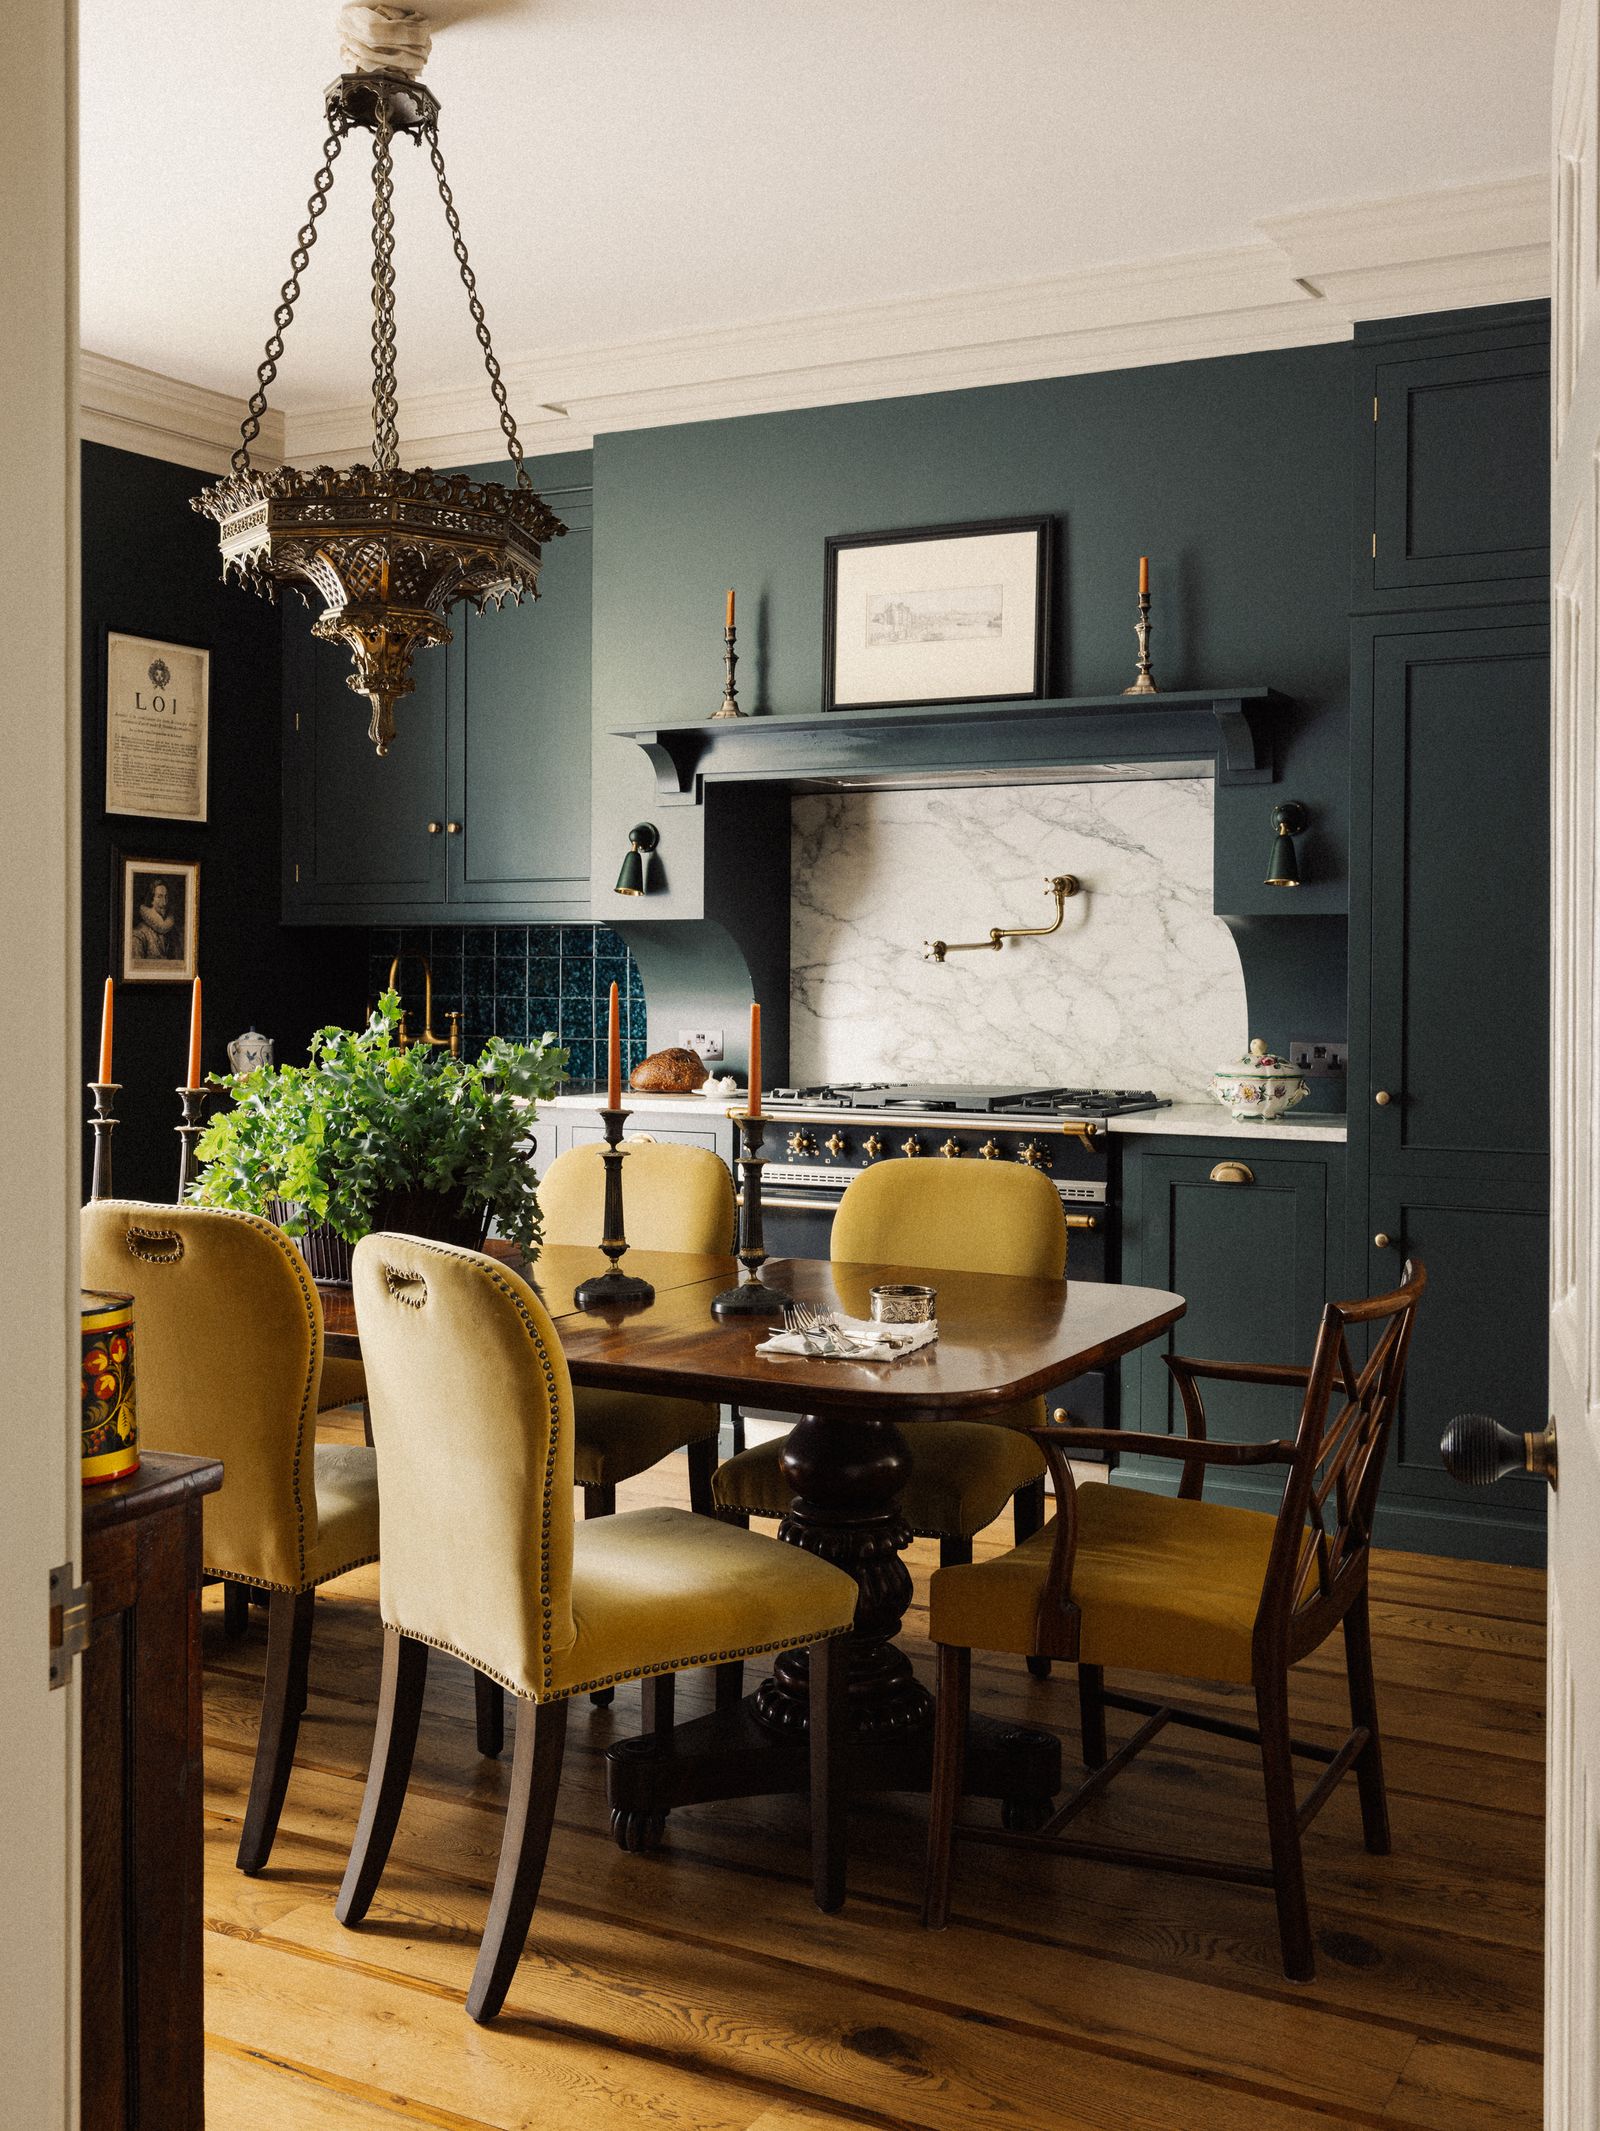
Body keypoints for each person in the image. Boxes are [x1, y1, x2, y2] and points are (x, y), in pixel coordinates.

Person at [132, 878, 177, 961]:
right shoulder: (139, 933)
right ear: (151, 900)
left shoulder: (173, 931)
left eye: (166, 897)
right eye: (159, 897)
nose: (164, 902)